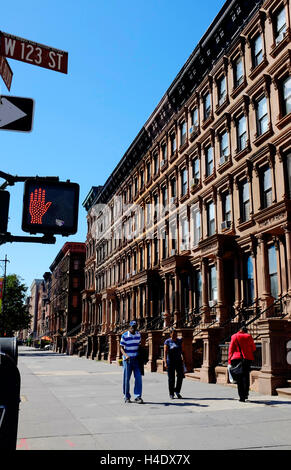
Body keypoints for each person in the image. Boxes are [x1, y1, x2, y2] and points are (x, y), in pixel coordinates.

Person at [228, 325, 256, 402]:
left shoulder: (234, 336)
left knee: (239, 379)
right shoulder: (248, 336)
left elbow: (231, 349)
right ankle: (246, 393)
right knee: (246, 376)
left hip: (236, 358)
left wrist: (229, 360)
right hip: (247, 359)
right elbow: (254, 348)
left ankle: (241, 397)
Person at [120, 320, 144, 404]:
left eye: (135, 327)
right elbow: (121, 348)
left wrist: (141, 357)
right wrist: (126, 356)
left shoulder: (138, 335)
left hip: (136, 359)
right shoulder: (124, 335)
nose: (134, 328)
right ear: (129, 327)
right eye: (132, 327)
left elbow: (139, 346)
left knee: (138, 378)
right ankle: (126, 396)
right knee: (126, 379)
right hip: (127, 359)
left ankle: (138, 396)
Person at [163, 328, 185, 399]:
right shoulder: (167, 342)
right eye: (173, 334)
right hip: (170, 362)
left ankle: (177, 391)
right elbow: (165, 353)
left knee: (180, 376)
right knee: (171, 378)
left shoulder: (179, 341)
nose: (175, 335)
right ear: (170, 334)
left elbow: (182, 350)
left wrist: (183, 358)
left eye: (176, 334)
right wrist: (165, 362)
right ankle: (171, 393)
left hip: (178, 361)